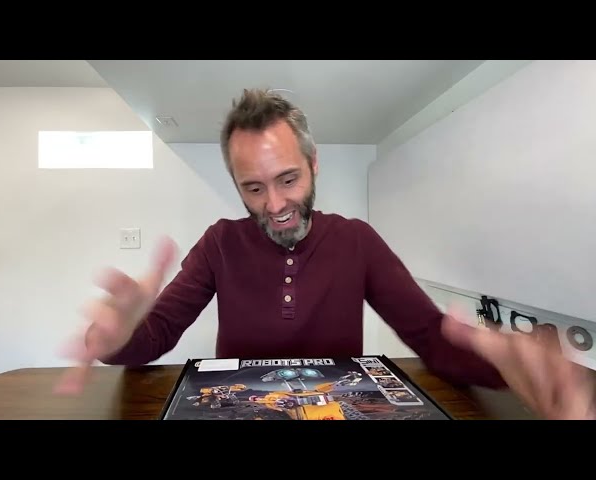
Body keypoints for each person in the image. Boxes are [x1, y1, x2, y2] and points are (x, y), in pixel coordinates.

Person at [56, 88, 595, 420]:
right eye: (253, 188)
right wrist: (117, 336)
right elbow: (152, 340)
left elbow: (432, 339)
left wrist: (505, 362)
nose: (275, 205)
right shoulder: (219, 242)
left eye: (288, 179)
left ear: (313, 165)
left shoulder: (357, 240)